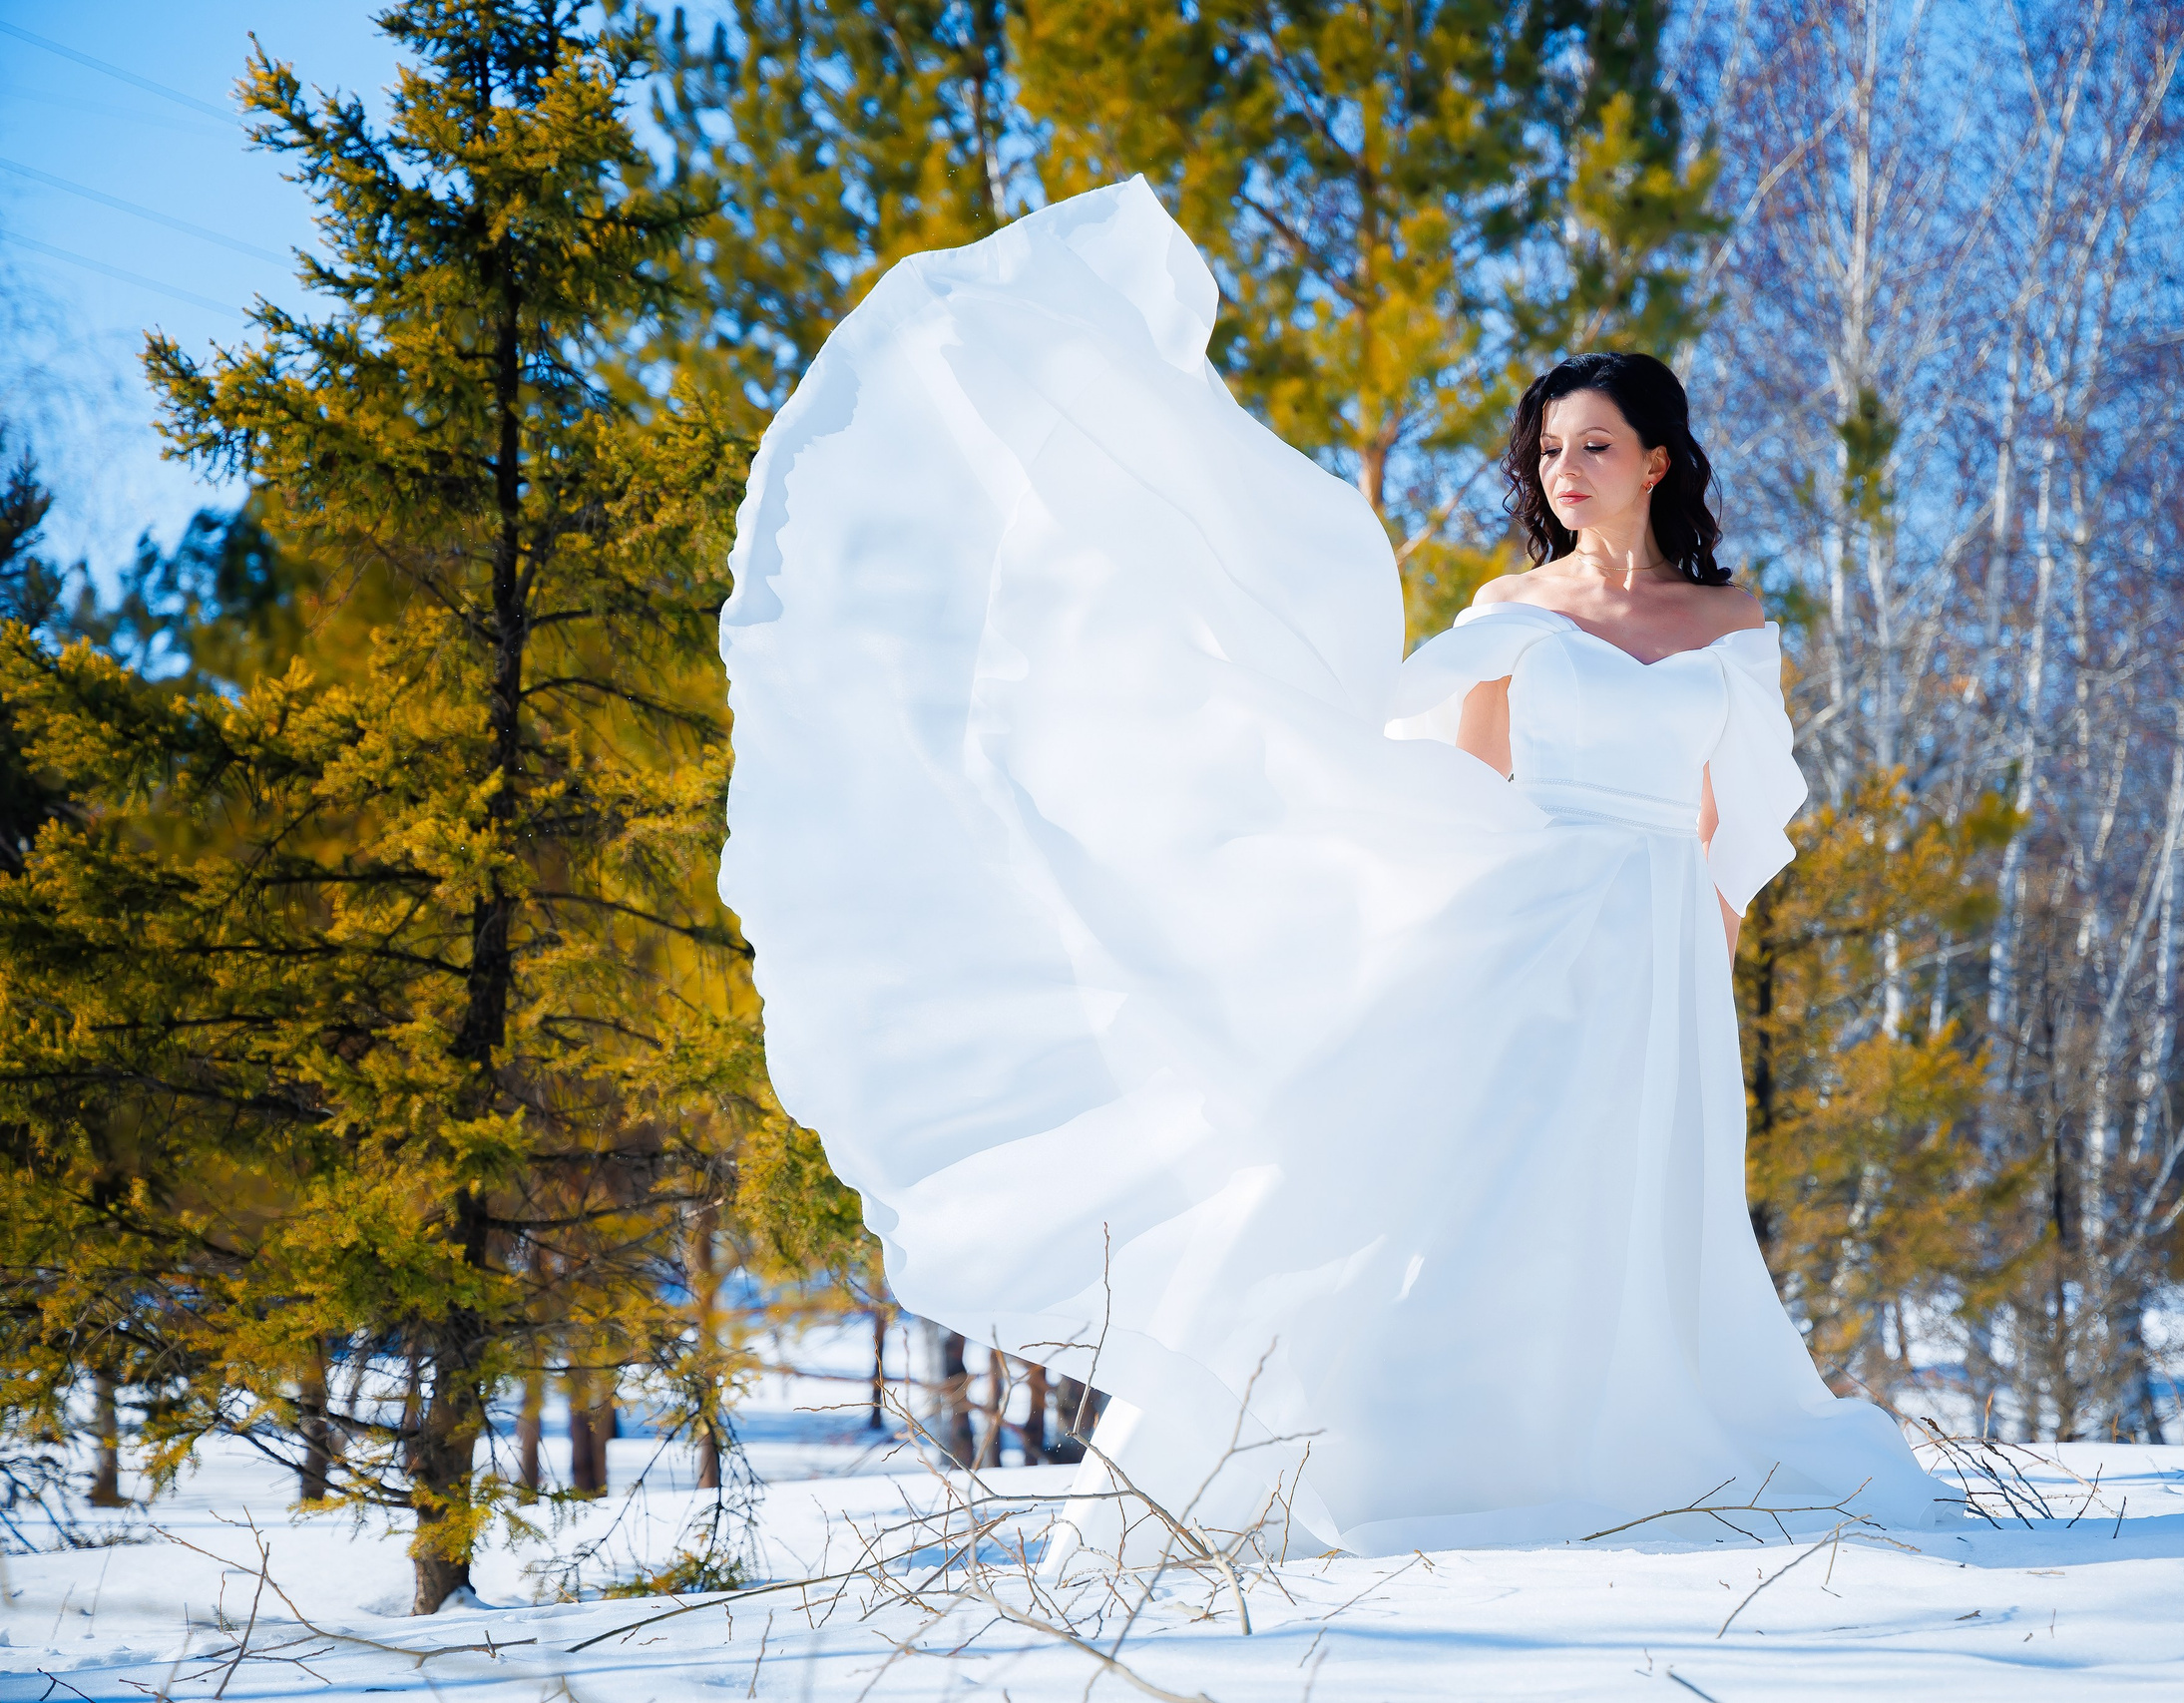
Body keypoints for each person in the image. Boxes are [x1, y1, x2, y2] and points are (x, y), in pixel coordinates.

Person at [719, 179, 1950, 1559]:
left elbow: (1734, 818)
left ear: (1659, 459)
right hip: (1535, 930)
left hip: (1666, 949)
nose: (1564, 473)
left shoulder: (1734, 620)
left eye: (1595, 447)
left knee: (1642, 1214)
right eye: (1549, 452)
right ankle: (1419, 1453)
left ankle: (1625, 1452)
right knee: (1491, 1197)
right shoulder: (1508, 615)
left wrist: (1702, 970)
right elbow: (1456, 798)